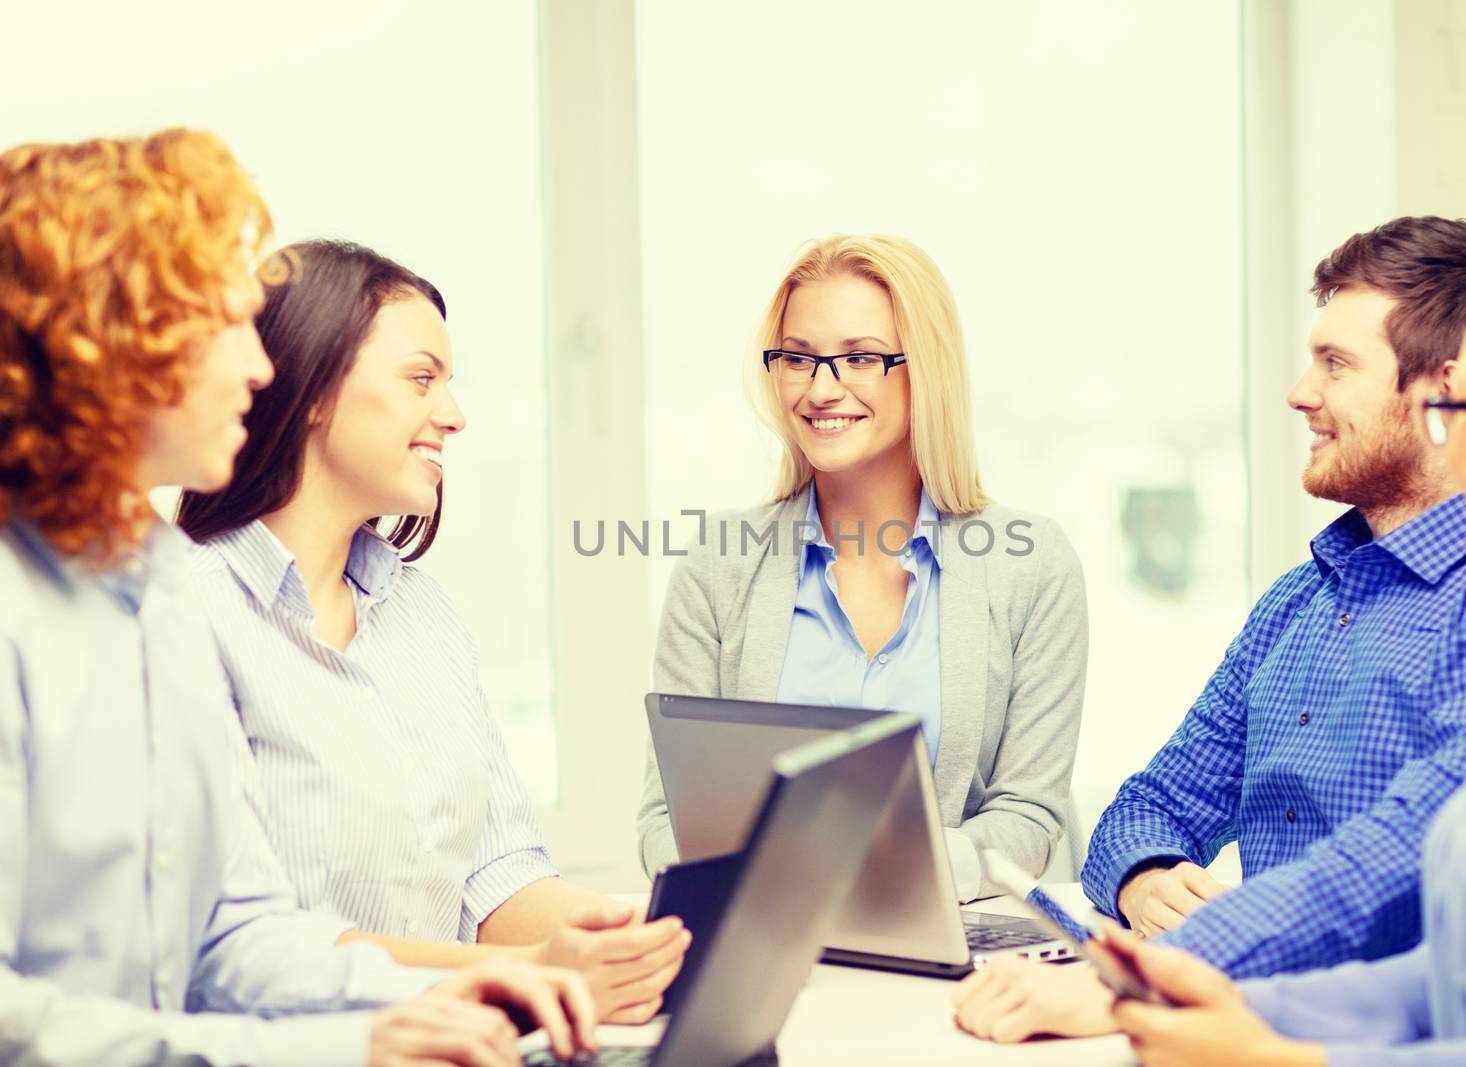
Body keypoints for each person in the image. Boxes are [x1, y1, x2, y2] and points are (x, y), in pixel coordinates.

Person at [0, 130, 594, 1067]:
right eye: (224, 324)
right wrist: (342, 1046)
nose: (261, 364)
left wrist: (445, 990)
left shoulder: (151, 590)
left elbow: (229, 931)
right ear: (112, 338)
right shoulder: (54, 613)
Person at [954, 216, 1466, 1039]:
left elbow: (1396, 858)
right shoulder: (1299, 598)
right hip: (1258, 1010)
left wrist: (1158, 977)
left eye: (1336, 363)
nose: (1299, 392)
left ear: (1444, 396)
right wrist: (1147, 881)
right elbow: (1148, 804)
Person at [175, 239, 689, 1024]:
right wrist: (519, 972)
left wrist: (628, 940)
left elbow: (497, 871)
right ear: (312, 390)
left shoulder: (426, 617)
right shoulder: (185, 620)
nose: (453, 414)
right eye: (422, 378)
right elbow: (238, 942)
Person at [636, 233, 1089, 903]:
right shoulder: (717, 566)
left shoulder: (1033, 564)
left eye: (860, 358)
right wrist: (749, 890)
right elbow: (666, 817)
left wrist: (888, 880)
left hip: (955, 948)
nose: (822, 389)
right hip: (765, 939)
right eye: (798, 357)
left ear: (925, 369)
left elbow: (1029, 815)